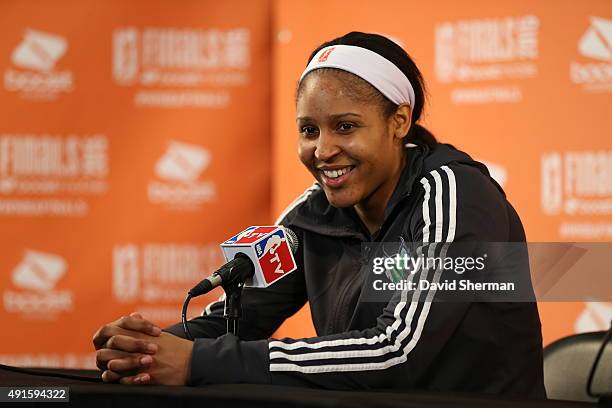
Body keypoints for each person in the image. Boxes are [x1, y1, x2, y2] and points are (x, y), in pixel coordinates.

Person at [93, 32, 546, 397]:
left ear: (399, 122)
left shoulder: (454, 193)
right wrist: (147, 349)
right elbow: (240, 316)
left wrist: (198, 362)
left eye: (345, 126)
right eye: (309, 130)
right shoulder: (314, 212)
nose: (323, 150)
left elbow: (396, 353)